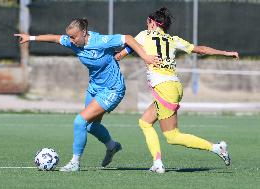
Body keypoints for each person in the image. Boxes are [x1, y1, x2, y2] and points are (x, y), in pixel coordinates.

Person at [15, 18, 159, 172]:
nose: (70, 40)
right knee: (90, 126)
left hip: (112, 89)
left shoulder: (101, 41)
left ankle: (75, 163)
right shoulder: (73, 41)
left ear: (84, 33)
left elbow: (128, 39)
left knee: (79, 121)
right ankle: (112, 146)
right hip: (94, 88)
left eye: (74, 37)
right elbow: (55, 39)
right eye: (69, 37)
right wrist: (30, 38)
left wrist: (145, 56)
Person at [115, 7, 239, 173]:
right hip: (174, 86)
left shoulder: (144, 35)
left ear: (153, 22)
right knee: (144, 122)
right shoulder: (173, 39)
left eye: (148, 22)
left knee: (172, 136)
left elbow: (120, 55)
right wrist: (226, 53)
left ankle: (217, 148)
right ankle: (157, 161)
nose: (146, 25)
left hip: (164, 88)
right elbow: (201, 50)